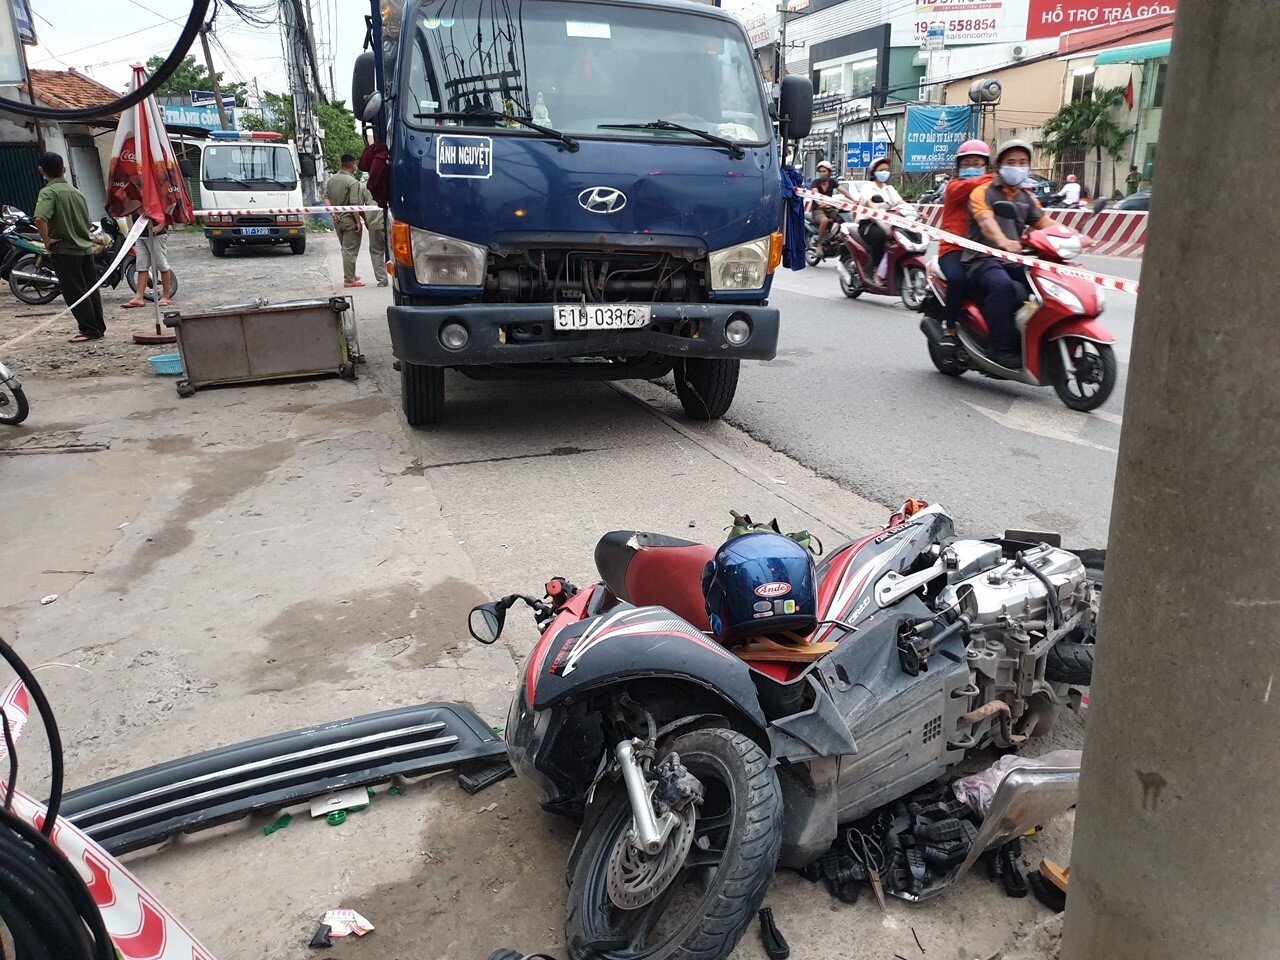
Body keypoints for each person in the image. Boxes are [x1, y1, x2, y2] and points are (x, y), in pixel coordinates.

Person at [964, 139, 1077, 370]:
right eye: (1011, 162)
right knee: (1004, 287)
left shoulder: (1026, 197)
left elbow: (1045, 222)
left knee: (1041, 286)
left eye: (1022, 162)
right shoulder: (982, 192)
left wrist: (1074, 237)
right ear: (1000, 165)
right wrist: (1003, 241)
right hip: (981, 259)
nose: (1017, 166)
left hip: (1013, 260)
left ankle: (1028, 338)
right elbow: (986, 222)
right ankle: (999, 348)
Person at [32, 151, 105, 343]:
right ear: (64, 169)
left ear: (41, 171)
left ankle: (88, 329)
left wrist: (47, 240)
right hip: (85, 248)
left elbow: (40, 218)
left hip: (65, 250)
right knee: (91, 289)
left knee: (75, 291)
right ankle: (98, 327)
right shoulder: (76, 192)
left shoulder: (48, 192)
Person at [937, 140, 992, 334]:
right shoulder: (954, 187)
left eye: (977, 165)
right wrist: (992, 178)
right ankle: (949, 326)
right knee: (958, 279)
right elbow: (971, 185)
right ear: (958, 167)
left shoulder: (991, 190)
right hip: (953, 249)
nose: (972, 169)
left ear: (986, 165)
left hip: (981, 249)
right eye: (966, 165)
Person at [856, 156, 906, 283]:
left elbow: (900, 202)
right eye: (881, 169)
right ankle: (875, 270)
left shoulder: (889, 189)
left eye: (886, 169)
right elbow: (868, 202)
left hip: (887, 222)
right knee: (880, 237)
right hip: (869, 224)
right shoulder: (868, 187)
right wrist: (877, 212)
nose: (884, 172)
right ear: (874, 172)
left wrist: (914, 211)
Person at [325, 154, 364, 288]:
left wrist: (333, 212)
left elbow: (326, 197)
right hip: (349, 220)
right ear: (353, 166)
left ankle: (351, 274)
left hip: (337, 221)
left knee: (345, 249)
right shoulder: (352, 182)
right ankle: (349, 280)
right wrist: (358, 222)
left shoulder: (331, 179)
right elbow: (354, 203)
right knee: (350, 250)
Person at [807, 161, 857, 253]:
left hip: (829, 209)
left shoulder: (832, 182)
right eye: (820, 171)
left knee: (843, 219)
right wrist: (820, 203)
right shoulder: (815, 182)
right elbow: (815, 194)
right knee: (824, 220)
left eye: (824, 171)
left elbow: (844, 191)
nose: (822, 173)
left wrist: (854, 200)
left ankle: (836, 238)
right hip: (818, 210)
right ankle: (819, 245)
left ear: (829, 172)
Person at [123, 216, 173, 308]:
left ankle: (166, 296)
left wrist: (160, 226)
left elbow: (167, 210)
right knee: (141, 265)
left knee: (161, 264)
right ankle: (138, 297)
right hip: (140, 233)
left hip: (156, 234)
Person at [357, 177, 387, 286]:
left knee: (376, 251)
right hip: (391, 221)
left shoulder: (363, 186)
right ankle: (399, 279)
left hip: (374, 222)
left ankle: (382, 280)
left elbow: (359, 207)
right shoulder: (389, 180)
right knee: (397, 251)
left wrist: (366, 220)